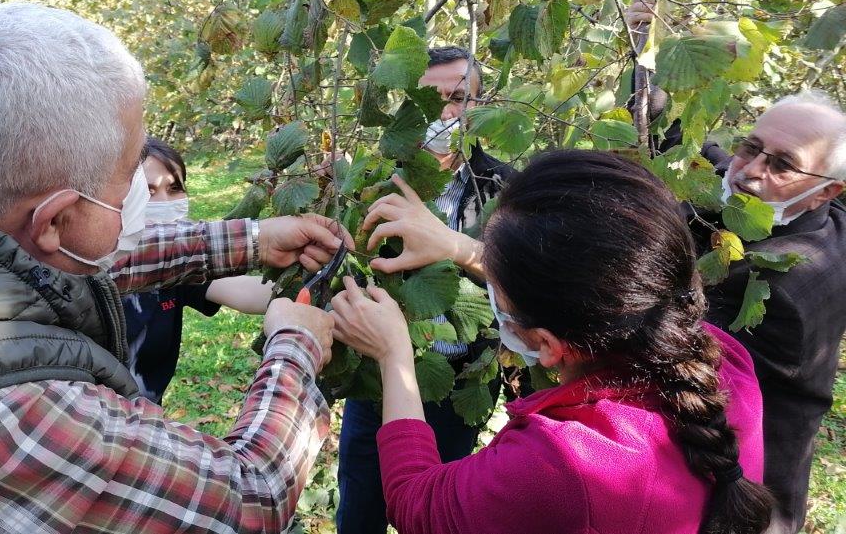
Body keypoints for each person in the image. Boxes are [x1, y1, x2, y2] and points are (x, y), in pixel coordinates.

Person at [0, 2, 355, 534]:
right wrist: (295, 349)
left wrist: (253, 239)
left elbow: (46, 271)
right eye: (130, 174)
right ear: (55, 219)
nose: (143, 194)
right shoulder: (8, 422)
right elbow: (249, 500)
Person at [331, 150, 774, 534]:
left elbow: (418, 507)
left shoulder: (564, 466)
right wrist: (460, 248)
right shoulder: (722, 359)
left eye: (499, 294)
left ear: (547, 345)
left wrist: (394, 356)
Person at [336, 46, 515, 534]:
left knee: (440, 507)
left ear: (478, 105)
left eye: (457, 98)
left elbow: (523, 282)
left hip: (459, 381)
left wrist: (459, 252)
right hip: (375, 380)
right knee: (360, 502)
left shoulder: (505, 189)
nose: (442, 113)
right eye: (427, 100)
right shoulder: (372, 181)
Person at [701, 92, 846, 533]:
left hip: (741, 501)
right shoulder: (826, 216)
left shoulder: (772, 286)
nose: (751, 172)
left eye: (783, 165)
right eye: (750, 146)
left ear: (826, 192)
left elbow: (655, 346)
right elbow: (724, 162)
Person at [125, 136, 273, 401]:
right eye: (147, 191)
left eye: (174, 189)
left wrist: (317, 283)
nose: (162, 201)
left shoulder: (180, 268)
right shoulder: (90, 265)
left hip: (147, 421)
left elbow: (249, 292)